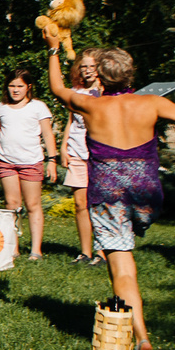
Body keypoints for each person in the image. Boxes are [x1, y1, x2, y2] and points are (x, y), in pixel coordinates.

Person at [47, 42, 175, 350]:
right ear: (130, 73)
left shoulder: (91, 106)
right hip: (146, 195)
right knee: (128, 253)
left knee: (122, 268)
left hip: (109, 194)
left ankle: (143, 340)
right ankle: (142, 339)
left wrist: (54, 50)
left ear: (102, 79)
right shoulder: (152, 102)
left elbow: (56, 88)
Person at [0, 68, 56, 260]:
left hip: (31, 161)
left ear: (28, 87)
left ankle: (36, 250)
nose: (15, 90)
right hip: (6, 161)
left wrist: (52, 160)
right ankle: (13, 248)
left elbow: (47, 134)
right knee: (12, 204)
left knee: (33, 204)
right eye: (12, 86)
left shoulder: (38, 107)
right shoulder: (1, 107)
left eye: (20, 86)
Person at [61, 49, 101, 265]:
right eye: (83, 66)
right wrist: (63, 146)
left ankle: (102, 252)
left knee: (101, 203)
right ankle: (85, 252)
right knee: (80, 203)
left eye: (91, 66)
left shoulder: (107, 91)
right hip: (77, 151)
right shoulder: (75, 92)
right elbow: (70, 121)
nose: (87, 70)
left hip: (100, 153)